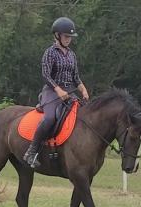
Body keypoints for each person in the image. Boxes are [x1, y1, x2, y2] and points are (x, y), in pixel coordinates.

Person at [23, 17, 90, 168]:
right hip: (51, 92)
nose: (68, 40)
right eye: (66, 37)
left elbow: (76, 77)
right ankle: (31, 152)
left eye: (70, 37)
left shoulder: (72, 55)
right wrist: (58, 90)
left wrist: (83, 89)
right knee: (50, 118)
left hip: (70, 92)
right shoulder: (50, 53)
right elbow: (46, 75)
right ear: (57, 35)